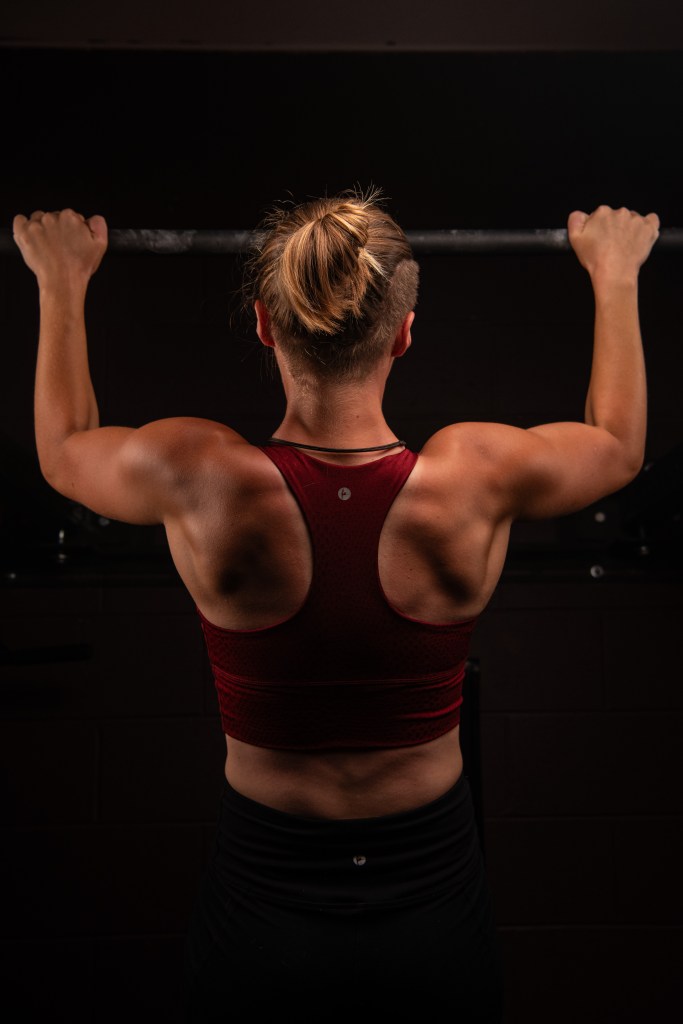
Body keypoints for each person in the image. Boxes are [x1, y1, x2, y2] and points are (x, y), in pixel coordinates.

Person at [13, 193, 659, 1020]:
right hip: (431, 890)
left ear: (264, 325)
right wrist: (615, 273)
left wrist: (60, 282)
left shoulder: (204, 475)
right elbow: (615, 444)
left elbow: (64, 451)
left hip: (264, 891)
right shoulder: (474, 475)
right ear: (402, 332)